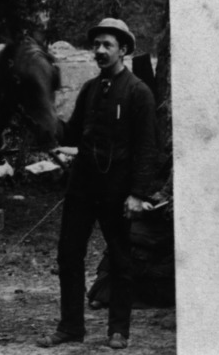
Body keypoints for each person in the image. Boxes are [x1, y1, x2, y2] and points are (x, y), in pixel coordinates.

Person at [41, 19, 160, 351]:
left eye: (107, 45)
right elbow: (74, 133)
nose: (100, 51)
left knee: (121, 260)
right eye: (96, 45)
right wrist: (48, 122)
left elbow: (148, 148)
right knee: (68, 255)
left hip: (118, 191)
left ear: (123, 50)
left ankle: (118, 330)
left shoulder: (138, 92)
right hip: (82, 187)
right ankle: (70, 328)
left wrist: (137, 194)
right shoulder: (90, 89)